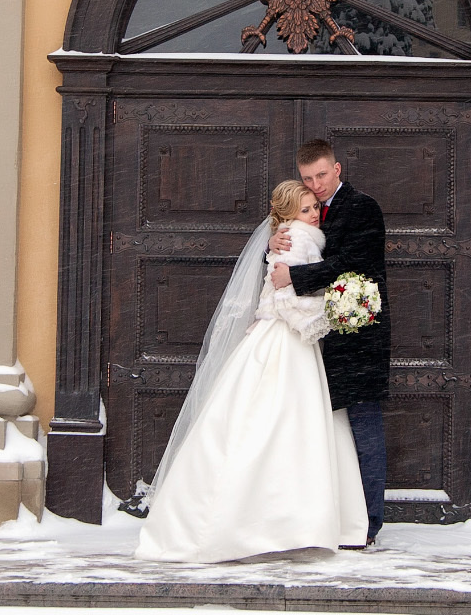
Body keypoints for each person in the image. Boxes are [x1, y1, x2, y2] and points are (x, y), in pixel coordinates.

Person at [134, 179, 368, 563]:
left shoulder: (286, 236)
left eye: (314, 207)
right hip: (287, 339)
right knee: (290, 421)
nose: (315, 214)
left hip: (273, 335)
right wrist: (332, 311)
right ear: (290, 214)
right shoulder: (302, 238)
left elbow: (274, 286)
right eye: (307, 208)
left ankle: (253, 518)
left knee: (258, 419)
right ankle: (284, 521)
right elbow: (286, 296)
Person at [273, 138, 387, 544]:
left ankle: (369, 523)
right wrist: (277, 243)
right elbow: (282, 264)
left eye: (321, 174)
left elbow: (353, 263)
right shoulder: (305, 211)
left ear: (337, 169)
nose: (316, 184)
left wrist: (296, 278)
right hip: (317, 339)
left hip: (358, 337)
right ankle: (331, 518)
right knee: (325, 435)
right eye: (308, 177)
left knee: (363, 427)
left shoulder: (362, 207)